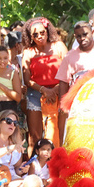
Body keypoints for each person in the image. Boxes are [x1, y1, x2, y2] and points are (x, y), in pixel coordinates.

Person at [21, 17, 69, 148]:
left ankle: (57, 165)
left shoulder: (59, 46)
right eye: (35, 34)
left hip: (60, 91)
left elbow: (69, 71)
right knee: (34, 138)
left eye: (42, 32)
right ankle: (34, 167)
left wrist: (55, 90)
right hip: (36, 93)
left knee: (58, 134)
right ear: (30, 37)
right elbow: (26, 79)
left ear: (47, 31)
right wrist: (44, 90)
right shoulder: (28, 52)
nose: (40, 36)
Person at [56, 21, 94, 97]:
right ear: (75, 36)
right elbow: (63, 82)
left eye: (85, 34)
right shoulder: (69, 56)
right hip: (79, 99)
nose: (82, 38)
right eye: (79, 36)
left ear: (92, 33)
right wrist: (62, 106)